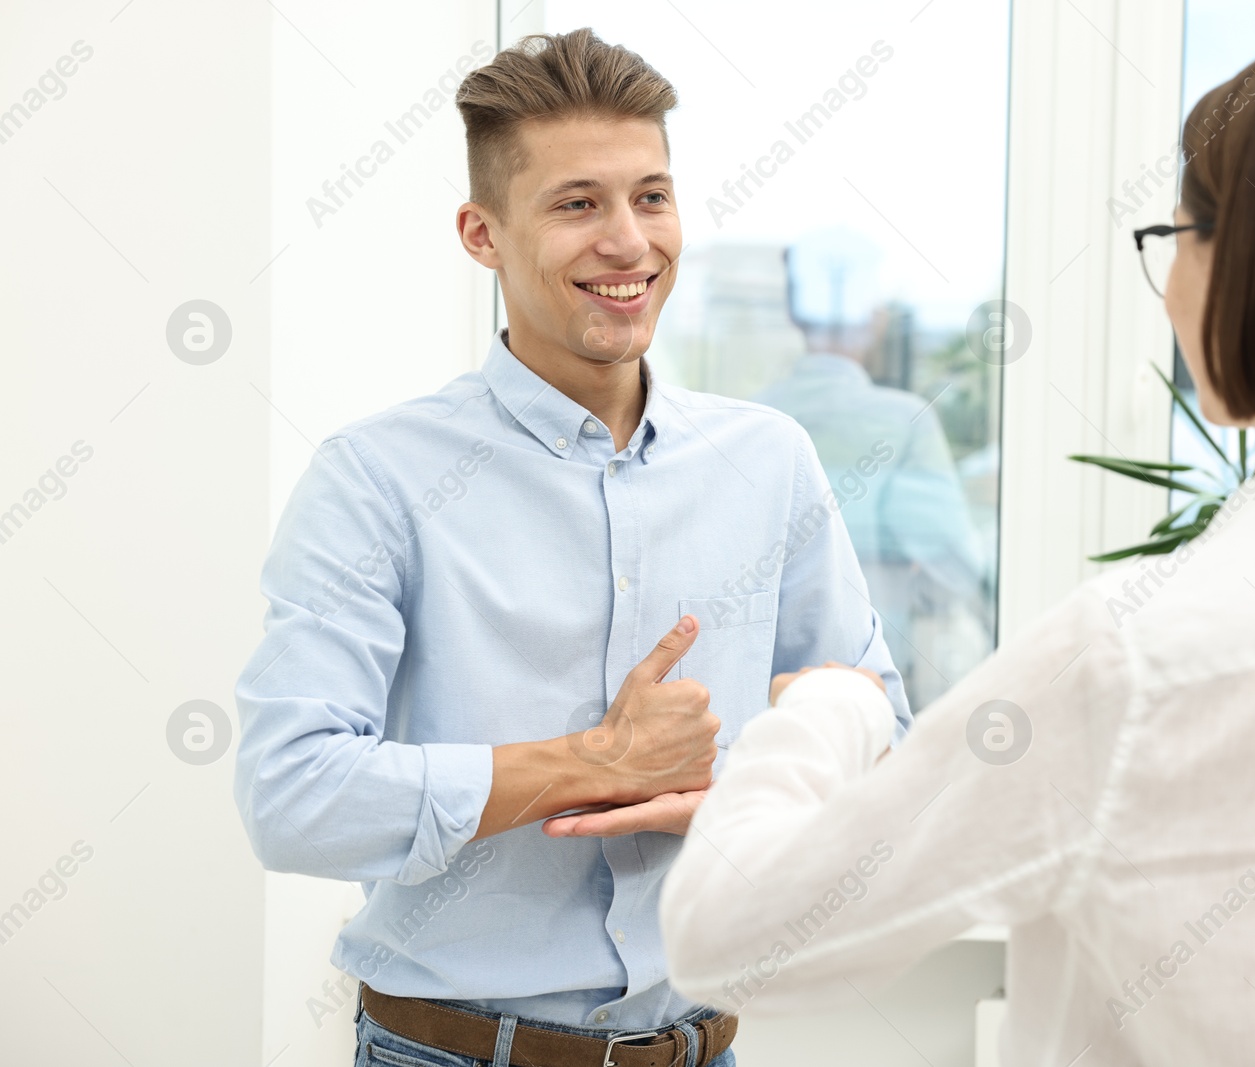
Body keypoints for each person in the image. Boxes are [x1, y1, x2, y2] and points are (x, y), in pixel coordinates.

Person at [660, 30, 1255, 1066]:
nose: (1168, 285)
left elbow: (733, 936)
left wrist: (827, 711)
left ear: (1243, 268)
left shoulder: (1132, 660)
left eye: (1178, 236)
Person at [232, 29, 910, 1067]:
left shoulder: (768, 460)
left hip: (700, 1045)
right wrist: (589, 763)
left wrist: (738, 796)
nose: (630, 242)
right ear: (481, 232)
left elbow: (878, 739)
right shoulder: (377, 477)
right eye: (575, 203)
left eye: (651, 196)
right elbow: (292, 797)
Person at [755, 228, 989, 709]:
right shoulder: (906, 422)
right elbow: (958, 569)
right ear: (876, 320)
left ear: (794, 314)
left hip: (765, 700)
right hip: (872, 693)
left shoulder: (750, 421)